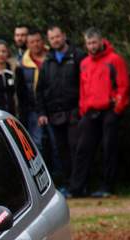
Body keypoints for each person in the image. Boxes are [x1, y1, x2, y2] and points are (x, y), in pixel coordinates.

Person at [70, 28, 130, 198]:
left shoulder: (114, 60)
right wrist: (83, 108)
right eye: (88, 43)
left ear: (101, 41)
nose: (92, 46)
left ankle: (107, 186)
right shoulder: (84, 63)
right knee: (82, 148)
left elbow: (123, 85)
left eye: (94, 42)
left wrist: (118, 108)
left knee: (109, 148)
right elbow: (83, 88)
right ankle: (78, 187)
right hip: (90, 111)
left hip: (110, 109)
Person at [36, 25, 86, 189]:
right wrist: (42, 112)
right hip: (54, 113)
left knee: (77, 148)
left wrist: (82, 107)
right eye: (52, 38)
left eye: (57, 36)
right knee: (61, 150)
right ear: (48, 41)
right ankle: (68, 184)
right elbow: (41, 89)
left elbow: (86, 83)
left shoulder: (78, 56)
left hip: (75, 111)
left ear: (64, 35)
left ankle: (80, 185)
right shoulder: (47, 61)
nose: (55, 40)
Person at [18, 28, 50, 152]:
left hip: (53, 107)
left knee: (56, 144)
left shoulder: (52, 58)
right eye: (32, 42)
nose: (35, 44)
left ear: (43, 41)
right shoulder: (21, 64)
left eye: (38, 41)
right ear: (27, 44)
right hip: (33, 108)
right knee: (36, 143)